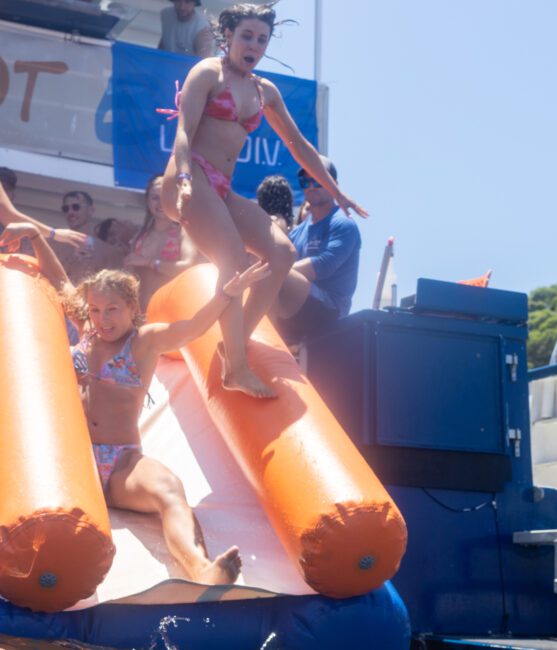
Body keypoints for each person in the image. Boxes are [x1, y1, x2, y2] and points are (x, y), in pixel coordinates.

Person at [0, 221, 271, 585]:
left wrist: (226, 295)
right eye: (95, 310)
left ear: (131, 307)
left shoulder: (143, 342)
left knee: (170, 489)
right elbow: (59, 279)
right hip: (76, 460)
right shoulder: (87, 332)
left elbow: (192, 327)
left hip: (122, 463)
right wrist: (33, 236)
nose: (102, 319)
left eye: (111, 309)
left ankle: (201, 568)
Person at [160, 2, 367, 398]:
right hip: (190, 176)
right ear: (229, 37)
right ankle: (235, 367)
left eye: (261, 38)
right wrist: (184, 174)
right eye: (246, 36)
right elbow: (184, 131)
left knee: (281, 253)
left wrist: (337, 192)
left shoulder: (263, 90)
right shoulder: (207, 72)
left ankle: (235, 342)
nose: (254, 45)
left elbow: (299, 146)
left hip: (220, 186)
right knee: (234, 260)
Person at [273, 156, 361, 345]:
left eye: (318, 180)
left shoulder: (343, 224)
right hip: (300, 305)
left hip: (330, 311)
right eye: (306, 181)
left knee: (268, 275)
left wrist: (275, 271)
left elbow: (324, 265)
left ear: (334, 184)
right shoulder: (298, 231)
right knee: (256, 271)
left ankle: (257, 346)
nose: (311, 186)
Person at [125, 175, 199, 310]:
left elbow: (188, 268)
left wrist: (149, 262)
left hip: (169, 309)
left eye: (166, 197)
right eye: (155, 198)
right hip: (138, 310)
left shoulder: (184, 232)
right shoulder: (140, 236)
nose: (161, 204)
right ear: (147, 201)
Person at [53, 190, 124, 283]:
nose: (70, 212)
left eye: (76, 207)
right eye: (66, 209)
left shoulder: (109, 252)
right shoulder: (54, 243)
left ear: (91, 210)